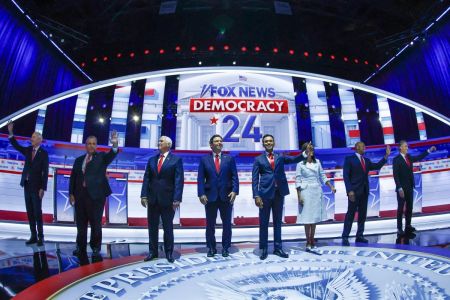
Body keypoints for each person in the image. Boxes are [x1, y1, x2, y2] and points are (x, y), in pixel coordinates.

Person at [252, 134, 310, 260]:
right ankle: (264, 249)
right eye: (266, 141)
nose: (268, 143)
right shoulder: (258, 159)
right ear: (263, 144)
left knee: (278, 222)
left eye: (270, 141)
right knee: (264, 223)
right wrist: (256, 195)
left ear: (274, 142)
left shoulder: (280, 157)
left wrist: (305, 153)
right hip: (265, 194)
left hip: (279, 194)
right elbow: (255, 179)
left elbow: (294, 160)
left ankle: (278, 248)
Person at [69, 131, 119, 257]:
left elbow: (112, 154)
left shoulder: (101, 157)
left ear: (96, 146)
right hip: (80, 196)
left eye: (93, 144)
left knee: (96, 223)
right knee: (81, 224)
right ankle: (80, 247)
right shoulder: (79, 160)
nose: (91, 146)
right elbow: (73, 178)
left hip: (96, 197)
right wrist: (71, 194)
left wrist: (114, 144)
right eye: (89, 143)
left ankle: (95, 247)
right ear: (85, 145)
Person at [141, 136, 184, 263]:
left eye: (161, 141)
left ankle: (169, 252)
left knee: (168, 227)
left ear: (168, 145)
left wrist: (177, 199)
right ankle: (152, 252)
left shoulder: (176, 160)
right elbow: (146, 179)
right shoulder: (151, 160)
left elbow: (179, 181)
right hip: (152, 199)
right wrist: (143, 195)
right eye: (159, 141)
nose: (158, 143)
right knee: (152, 227)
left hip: (168, 200)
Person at [7, 121, 49, 246]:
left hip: (37, 188)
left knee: (37, 212)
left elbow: (45, 172)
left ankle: (41, 237)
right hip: (26, 185)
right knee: (30, 212)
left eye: (34, 137)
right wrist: (10, 132)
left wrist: (43, 188)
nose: (31, 139)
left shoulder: (44, 154)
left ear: (39, 140)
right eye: (32, 137)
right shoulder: (28, 150)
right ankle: (33, 236)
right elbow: (16, 145)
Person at [197, 134, 239, 257]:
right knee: (210, 225)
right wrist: (201, 193)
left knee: (227, 225)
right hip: (210, 196)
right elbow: (200, 179)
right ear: (211, 144)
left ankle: (226, 248)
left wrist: (235, 190)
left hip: (226, 196)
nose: (219, 142)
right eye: (216, 141)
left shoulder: (229, 159)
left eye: (221, 141)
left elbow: (234, 177)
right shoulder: (204, 160)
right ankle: (211, 248)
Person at [342, 141, 390, 245]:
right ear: (357, 147)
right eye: (362, 146)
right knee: (350, 214)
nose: (365, 148)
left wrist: (386, 156)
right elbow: (346, 176)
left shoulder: (366, 161)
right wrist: (349, 190)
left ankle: (359, 236)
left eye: (365, 146)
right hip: (353, 192)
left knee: (362, 215)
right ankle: (345, 236)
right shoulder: (349, 159)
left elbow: (377, 166)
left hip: (364, 191)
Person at [295, 142, 336, 250]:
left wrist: (331, 186)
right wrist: (299, 196)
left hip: (316, 190)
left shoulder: (317, 162)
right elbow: (298, 180)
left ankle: (312, 238)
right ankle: (307, 240)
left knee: (314, 217)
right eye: (309, 149)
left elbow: (323, 176)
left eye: (312, 149)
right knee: (307, 218)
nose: (311, 151)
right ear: (305, 151)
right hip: (305, 191)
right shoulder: (300, 164)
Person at [393, 141, 436, 235]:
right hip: (401, 189)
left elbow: (418, 157)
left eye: (407, 146)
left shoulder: (408, 157)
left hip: (410, 187)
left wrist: (429, 150)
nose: (407, 148)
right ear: (400, 147)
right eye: (405, 146)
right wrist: (399, 188)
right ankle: (399, 229)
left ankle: (408, 226)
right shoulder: (396, 159)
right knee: (400, 209)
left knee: (410, 207)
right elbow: (395, 175)